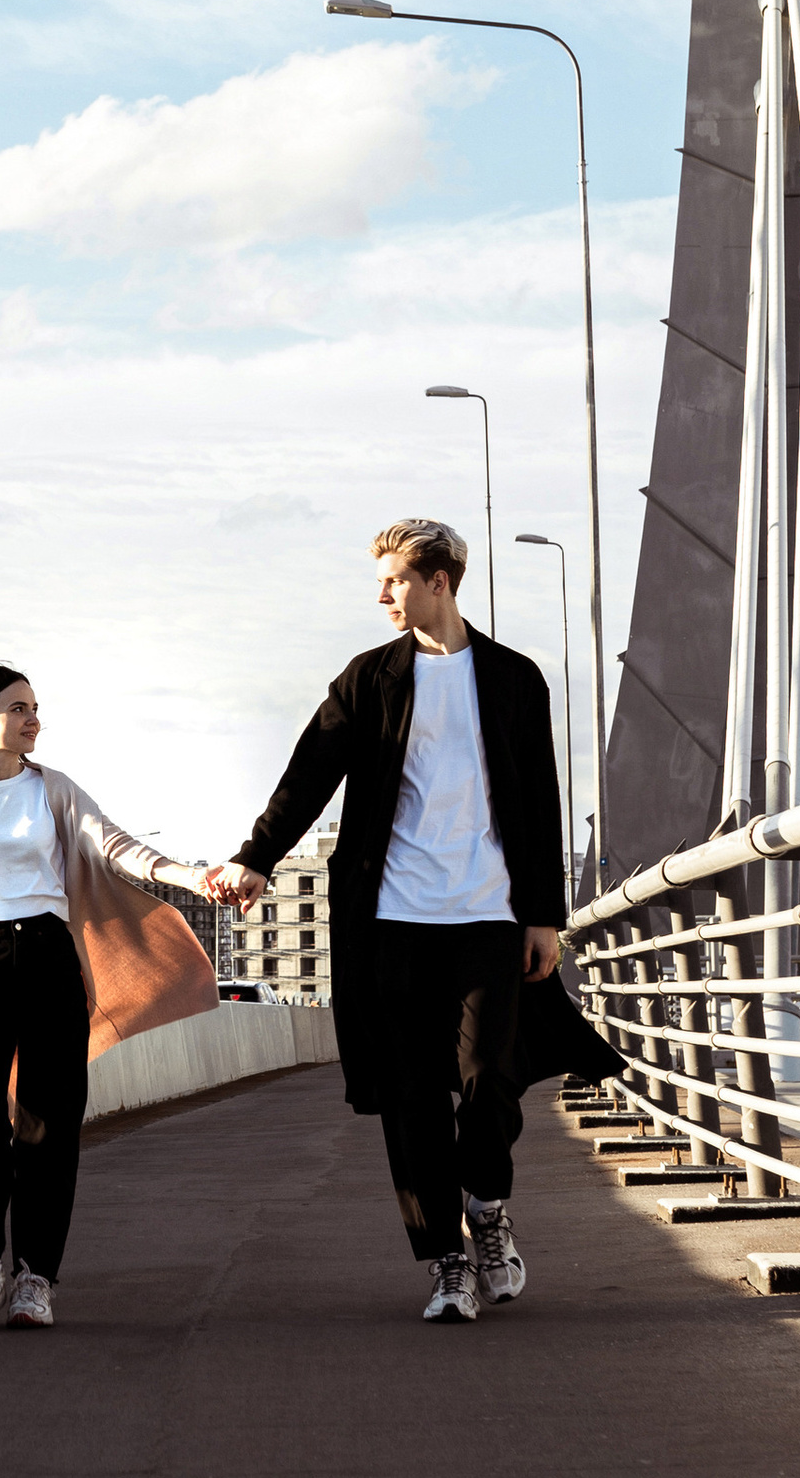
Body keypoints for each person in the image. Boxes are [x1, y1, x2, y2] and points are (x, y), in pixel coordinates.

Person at [207, 518, 566, 1324]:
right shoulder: (368, 679)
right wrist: (255, 857)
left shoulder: (514, 678)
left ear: (439, 581)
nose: (382, 595)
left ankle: (487, 1206)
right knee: (409, 1096)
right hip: (392, 919)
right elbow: (310, 773)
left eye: (395, 580)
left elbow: (541, 800)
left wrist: (544, 914)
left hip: (487, 915)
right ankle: (446, 1263)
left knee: (487, 1084)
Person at [0, 665, 221, 1332]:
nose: (33, 720)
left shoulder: (53, 791)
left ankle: (34, 1279)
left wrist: (190, 876)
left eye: (36, 709)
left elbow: (114, 847)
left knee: (48, 1130)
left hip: (51, 961)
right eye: (19, 708)